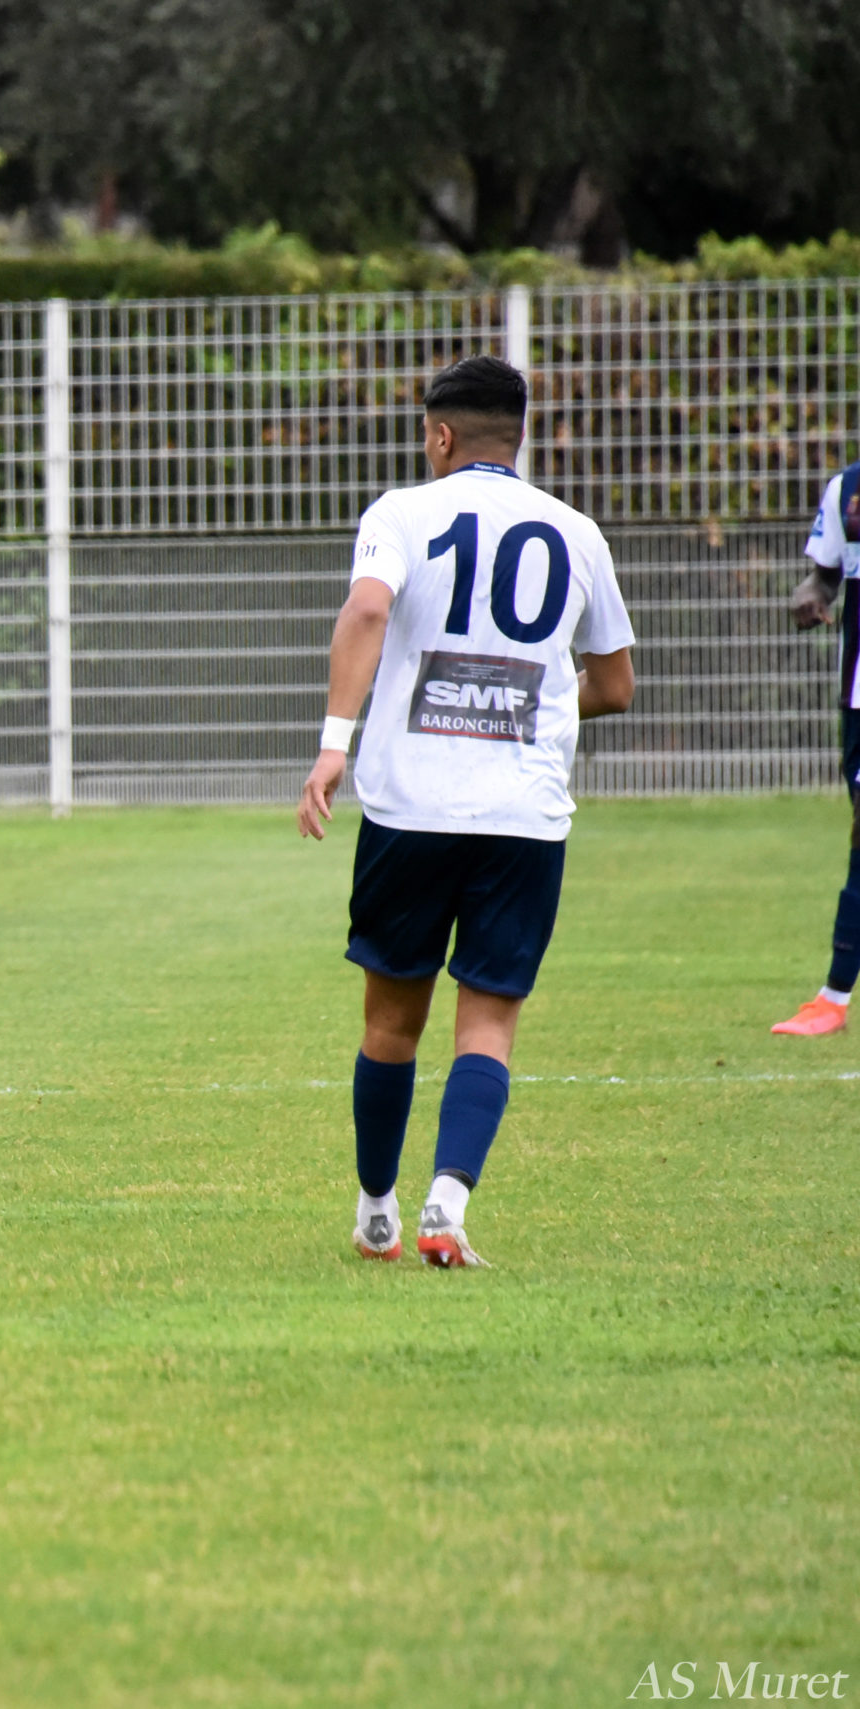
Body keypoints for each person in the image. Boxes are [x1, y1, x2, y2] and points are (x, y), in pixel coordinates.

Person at [298, 355, 635, 1268]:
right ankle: (447, 1205)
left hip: (410, 808)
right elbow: (615, 684)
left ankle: (377, 1211)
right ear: (517, 437)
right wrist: (534, 701)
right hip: (522, 816)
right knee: (487, 1023)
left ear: (441, 435)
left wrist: (333, 744)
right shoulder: (577, 533)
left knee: (390, 1023)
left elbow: (367, 611)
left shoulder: (401, 513)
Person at [770, 454, 860, 1036]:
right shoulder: (848, 487)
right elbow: (827, 574)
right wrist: (812, 591)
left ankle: (833, 997)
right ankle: (832, 999)